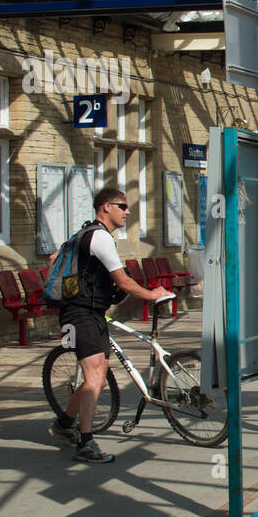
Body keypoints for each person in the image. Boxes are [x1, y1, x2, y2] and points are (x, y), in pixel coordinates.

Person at [51, 188, 171, 464]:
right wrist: (153, 294)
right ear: (106, 207)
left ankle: (65, 422)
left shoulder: (85, 233)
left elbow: (55, 259)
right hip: (80, 313)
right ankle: (85, 443)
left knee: (98, 377)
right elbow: (123, 282)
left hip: (91, 312)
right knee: (94, 377)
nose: (127, 211)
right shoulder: (100, 238)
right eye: (122, 206)